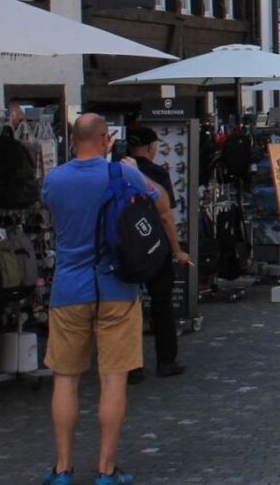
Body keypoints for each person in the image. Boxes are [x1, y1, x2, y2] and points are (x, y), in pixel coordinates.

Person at [42, 114, 188, 485]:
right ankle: (106, 469)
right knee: (113, 379)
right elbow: (163, 203)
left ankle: (62, 468)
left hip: (69, 289)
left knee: (66, 378)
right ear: (106, 138)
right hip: (116, 288)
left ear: (73, 140)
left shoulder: (54, 180)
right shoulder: (123, 174)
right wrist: (129, 169)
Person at [122, 129, 184, 381]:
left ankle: (132, 366)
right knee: (162, 304)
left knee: (127, 307)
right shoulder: (157, 173)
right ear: (151, 147)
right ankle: (166, 361)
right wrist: (177, 249)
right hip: (155, 245)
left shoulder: (118, 170)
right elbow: (166, 215)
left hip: (125, 245)